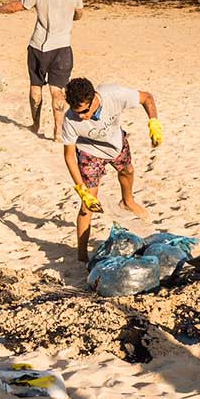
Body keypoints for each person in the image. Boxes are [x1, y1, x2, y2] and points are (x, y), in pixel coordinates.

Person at [61, 77, 162, 263]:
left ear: (94, 98)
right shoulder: (70, 119)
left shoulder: (113, 95)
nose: (82, 117)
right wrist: (81, 190)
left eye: (85, 111)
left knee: (127, 171)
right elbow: (68, 156)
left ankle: (127, 201)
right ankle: (81, 256)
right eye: (77, 113)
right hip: (89, 152)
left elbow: (147, 97)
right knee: (87, 206)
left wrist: (153, 123)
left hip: (115, 143)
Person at [0, 0, 83, 140]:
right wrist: (71, 17)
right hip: (63, 48)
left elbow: (16, 6)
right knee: (57, 91)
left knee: (35, 87)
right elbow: (79, 14)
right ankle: (58, 132)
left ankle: (36, 124)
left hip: (39, 47)